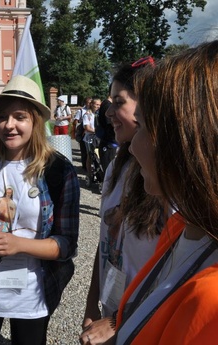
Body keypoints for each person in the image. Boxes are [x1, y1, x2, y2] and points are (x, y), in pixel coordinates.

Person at [0, 75, 80, 344]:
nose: (9, 125)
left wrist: (19, 245)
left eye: (20, 117)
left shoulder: (58, 170)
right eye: (2, 117)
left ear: (36, 121)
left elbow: (67, 244)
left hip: (31, 295)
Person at [112, 41, 218, 345]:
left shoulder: (212, 303)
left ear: (188, 142)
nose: (133, 145)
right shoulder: (183, 228)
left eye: (143, 125)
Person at [80, 60, 167, 345]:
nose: (108, 113)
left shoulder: (168, 184)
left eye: (119, 103)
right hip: (110, 313)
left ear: (147, 107)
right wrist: (93, 302)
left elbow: (175, 273)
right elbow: (105, 242)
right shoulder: (118, 168)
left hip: (148, 319)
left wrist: (120, 319)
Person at [96, 95, 117, 173]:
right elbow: (110, 124)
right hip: (109, 143)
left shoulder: (105, 104)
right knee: (109, 170)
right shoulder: (107, 105)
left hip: (107, 142)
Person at [82, 98, 101, 187]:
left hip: (98, 138)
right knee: (90, 156)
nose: (98, 106)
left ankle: (99, 172)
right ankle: (89, 174)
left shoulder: (100, 114)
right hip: (89, 139)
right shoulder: (87, 115)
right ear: (92, 104)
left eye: (99, 105)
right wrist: (97, 131)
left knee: (98, 156)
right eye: (96, 104)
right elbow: (87, 127)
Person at [73, 97, 92, 170]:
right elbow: (76, 121)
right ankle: (84, 166)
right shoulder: (81, 111)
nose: (90, 104)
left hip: (90, 132)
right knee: (84, 150)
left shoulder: (92, 111)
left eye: (91, 102)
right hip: (83, 132)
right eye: (89, 102)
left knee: (90, 150)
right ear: (85, 103)